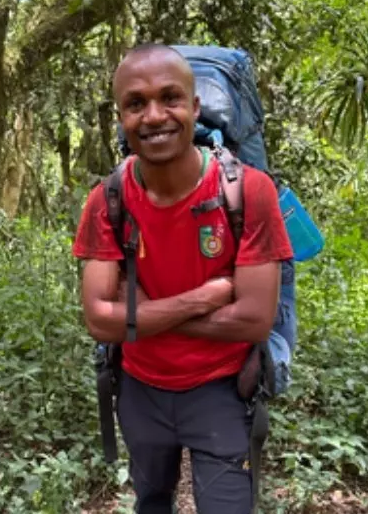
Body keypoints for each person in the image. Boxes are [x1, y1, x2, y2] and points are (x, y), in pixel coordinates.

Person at [72, 43, 294, 514]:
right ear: (121, 117)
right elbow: (98, 320)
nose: (154, 116)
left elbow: (254, 320)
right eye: (136, 103)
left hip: (222, 391)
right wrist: (204, 298)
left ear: (194, 107)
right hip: (140, 391)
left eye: (170, 98)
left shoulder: (249, 192)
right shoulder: (107, 201)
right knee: (152, 502)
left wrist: (139, 313)